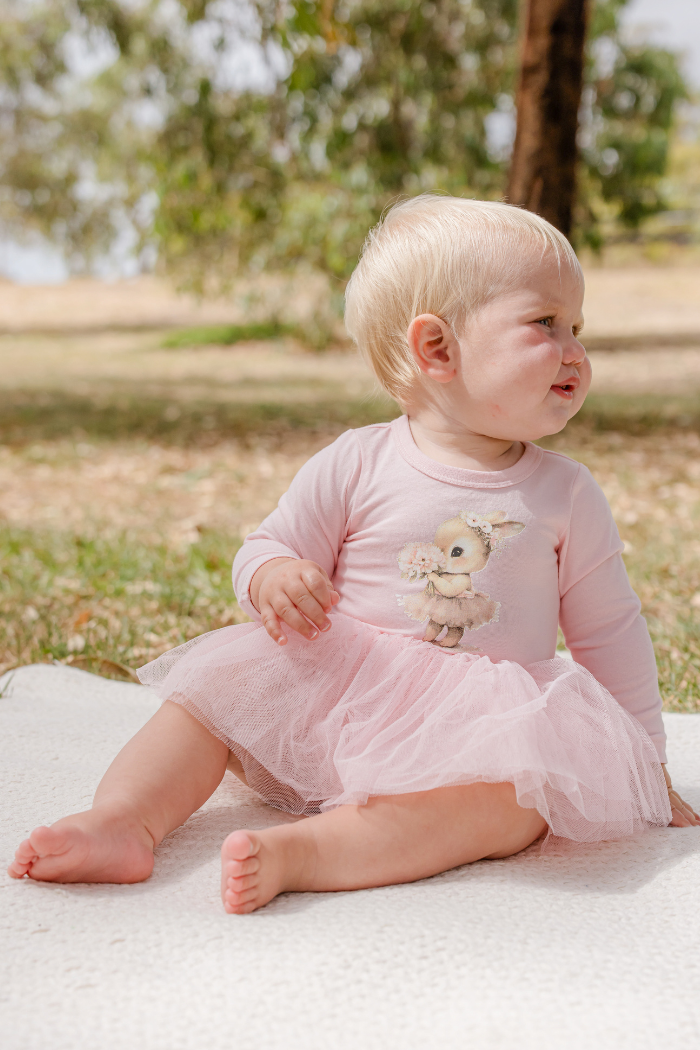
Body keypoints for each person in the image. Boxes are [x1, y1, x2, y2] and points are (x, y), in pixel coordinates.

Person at [9, 196, 699, 912]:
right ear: (438, 349)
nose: (576, 351)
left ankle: (312, 853)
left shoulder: (565, 493)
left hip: (476, 729)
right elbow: (267, 546)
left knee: (514, 804)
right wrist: (273, 577)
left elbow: (611, 629)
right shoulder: (358, 462)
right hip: (336, 694)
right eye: (545, 323)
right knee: (205, 705)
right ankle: (124, 819)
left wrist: (645, 760)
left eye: (579, 327)